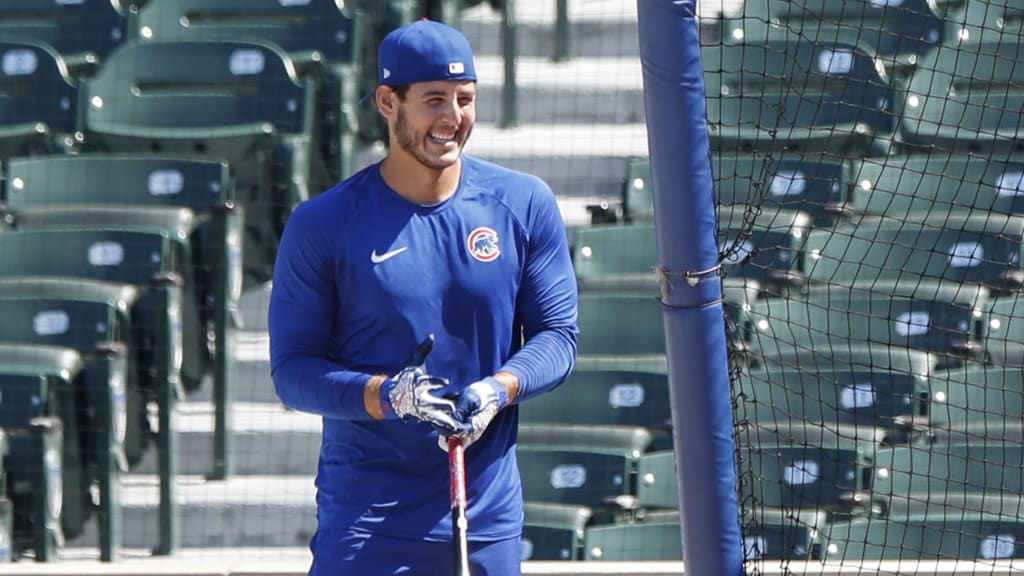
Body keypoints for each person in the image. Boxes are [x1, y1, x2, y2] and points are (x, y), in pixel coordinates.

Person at [268, 19, 579, 576]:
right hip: (367, 517)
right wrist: (387, 395)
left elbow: (558, 338)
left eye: (465, 99)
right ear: (389, 102)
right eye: (434, 100)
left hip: (483, 512)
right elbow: (293, 372)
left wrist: (496, 390)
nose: (453, 118)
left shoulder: (523, 204)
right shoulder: (323, 223)